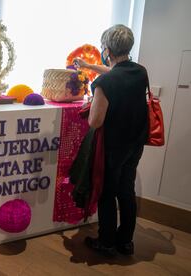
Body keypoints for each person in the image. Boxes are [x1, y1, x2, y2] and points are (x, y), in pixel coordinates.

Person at [74, 24, 149, 257]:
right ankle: (125, 242)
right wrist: (87, 66)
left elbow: (95, 122)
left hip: (114, 146)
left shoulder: (104, 84)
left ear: (106, 49)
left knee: (107, 192)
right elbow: (114, 72)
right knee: (126, 190)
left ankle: (106, 242)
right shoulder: (139, 71)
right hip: (136, 143)